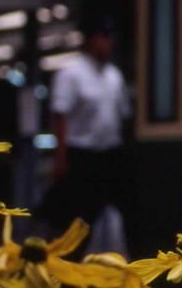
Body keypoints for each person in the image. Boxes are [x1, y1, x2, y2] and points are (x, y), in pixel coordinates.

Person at [49, 15, 131, 255]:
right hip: (81, 156)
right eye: (103, 38)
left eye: (110, 38)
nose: (108, 43)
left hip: (110, 154)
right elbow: (60, 117)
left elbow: (123, 113)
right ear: (91, 40)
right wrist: (60, 159)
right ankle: (69, 274)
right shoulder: (71, 74)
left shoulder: (114, 76)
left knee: (127, 211)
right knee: (79, 222)